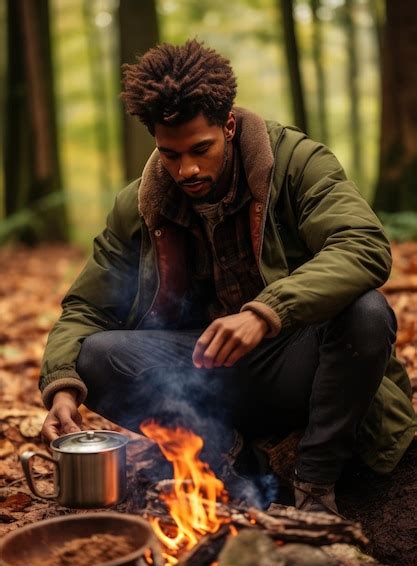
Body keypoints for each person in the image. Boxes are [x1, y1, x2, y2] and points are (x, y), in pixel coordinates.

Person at [40, 40, 416, 514]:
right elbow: (85, 309)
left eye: (201, 149)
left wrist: (267, 312)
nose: (187, 169)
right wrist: (62, 384)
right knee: (93, 356)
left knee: (366, 312)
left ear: (230, 125)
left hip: (300, 364)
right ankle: (231, 458)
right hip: (204, 379)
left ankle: (315, 483)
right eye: (171, 155)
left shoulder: (297, 163)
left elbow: (363, 245)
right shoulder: (139, 205)